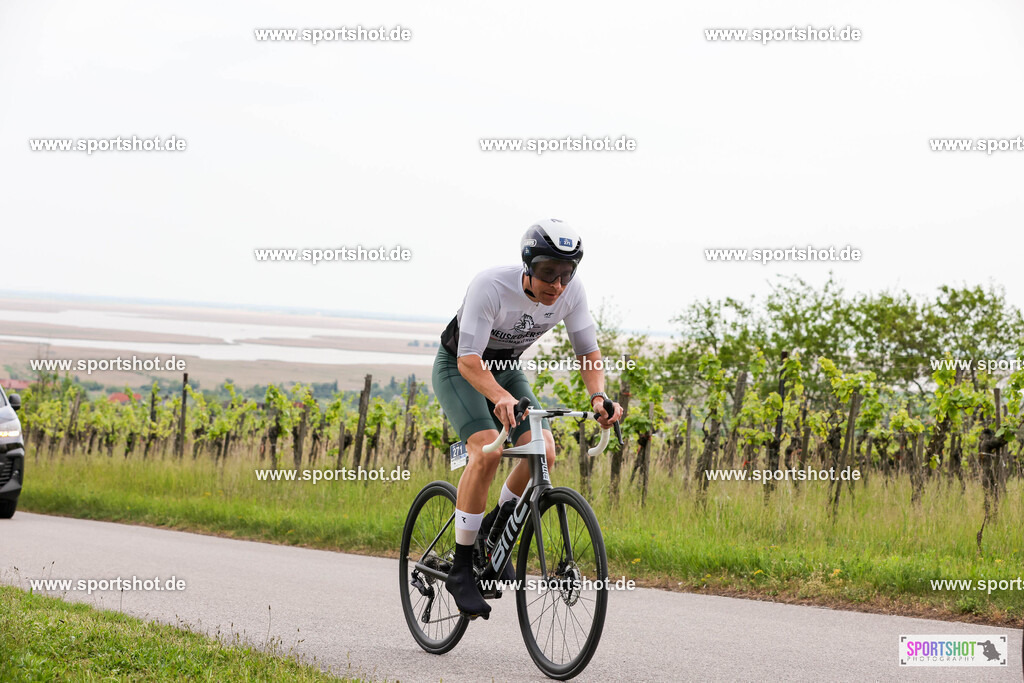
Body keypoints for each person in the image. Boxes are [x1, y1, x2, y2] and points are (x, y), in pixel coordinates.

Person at [432, 218, 623, 618]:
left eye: (566, 274)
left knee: (545, 452)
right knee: (485, 450)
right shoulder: (491, 286)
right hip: (461, 368)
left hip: (505, 369)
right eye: (548, 272)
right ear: (528, 266)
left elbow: (588, 350)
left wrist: (599, 396)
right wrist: (499, 397)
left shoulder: (571, 294)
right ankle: (462, 569)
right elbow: (469, 360)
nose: (557, 284)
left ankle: (491, 530)